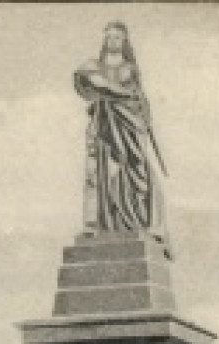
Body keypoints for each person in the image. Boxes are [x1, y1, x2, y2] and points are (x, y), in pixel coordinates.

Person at [74, 23, 169, 242]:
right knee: (101, 171)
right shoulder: (93, 65)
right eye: (109, 37)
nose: (113, 41)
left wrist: (143, 114)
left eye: (117, 37)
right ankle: (99, 223)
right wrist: (114, 91)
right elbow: (89, 82)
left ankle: (138, 220)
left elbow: (139, 96)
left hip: (130, 123)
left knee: (135, 168)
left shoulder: (130, 69)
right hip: (106, 125)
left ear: (124, 41)